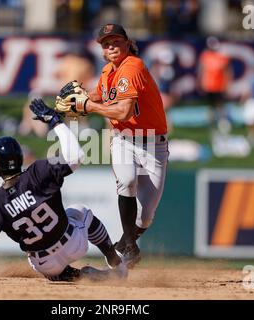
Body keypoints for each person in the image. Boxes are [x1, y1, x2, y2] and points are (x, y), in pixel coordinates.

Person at [0, 98, 127, 282]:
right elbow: (76, 156)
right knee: (81, 211)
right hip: (74, 244)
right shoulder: (38, 172)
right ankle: (116, 263)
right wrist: (55, 121)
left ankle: (76, 275)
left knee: (40, 256)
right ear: (20, 158)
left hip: (45, 263)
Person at [55, 24, 169, 269]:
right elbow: (103, 94)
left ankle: (125, 243)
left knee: (147, 214)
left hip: (153, 145)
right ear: (102, 50)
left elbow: (124, 111)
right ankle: (130, 247)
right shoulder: (109, 71)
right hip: (124, 139)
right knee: (126, 182)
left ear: (127, 43)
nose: (111, 47)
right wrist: (85, 96)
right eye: (106, 44)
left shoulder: (133, 66)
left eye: (116, 42)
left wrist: (87, 106)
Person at [197, 36, 233, 134]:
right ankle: (211, 124)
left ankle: (223, 123)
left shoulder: (222, 56)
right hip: (208, 86)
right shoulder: (205, 56)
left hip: (219, 85)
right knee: (211, 106)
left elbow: (227, 72)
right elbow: (201, 70)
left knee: (220, 105)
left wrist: (227, 84)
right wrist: (200, 82)